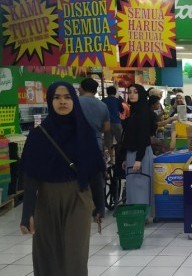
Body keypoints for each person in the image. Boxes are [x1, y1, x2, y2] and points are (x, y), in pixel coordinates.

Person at [20, 81, 105, 276]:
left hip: (78, 197)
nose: (62, 102)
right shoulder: (38, 135)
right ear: (50, 101)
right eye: (57, 97)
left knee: (75, 255)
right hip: (46, 200)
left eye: (67, 97)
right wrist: (27, 214)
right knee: (46, 255)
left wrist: (99, 206)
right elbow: (31, 176)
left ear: (74, 100)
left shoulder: (84, 133)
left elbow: (94, 171)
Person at [121, 84, 154, 210]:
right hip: (133, 154)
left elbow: (143, 137)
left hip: (141, 154)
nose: (132, 94)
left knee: (141, 185)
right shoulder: (134, 111)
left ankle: (142, 214)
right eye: (130, 92)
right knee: (133, 185)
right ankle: (136, 213)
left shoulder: (143, 112)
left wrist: (138, 159)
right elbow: (130, 137)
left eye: (135, 92)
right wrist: (125, 157)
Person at [78, 78, 110, 152]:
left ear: (81, 89)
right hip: (96, 142)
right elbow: (107, 127)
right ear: (95, 91)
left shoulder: (74, 102)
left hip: (78, 141)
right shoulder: (103, 105)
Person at [102, 86, 123, 163]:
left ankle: (112, 159)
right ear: (115, 92)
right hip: (117, 123)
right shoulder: (117, 100)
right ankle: (120, 158)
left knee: (109, 142)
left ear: (107, 92)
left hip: (106, 123)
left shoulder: (103, 100)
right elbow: (122, 110)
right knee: (120, 141)